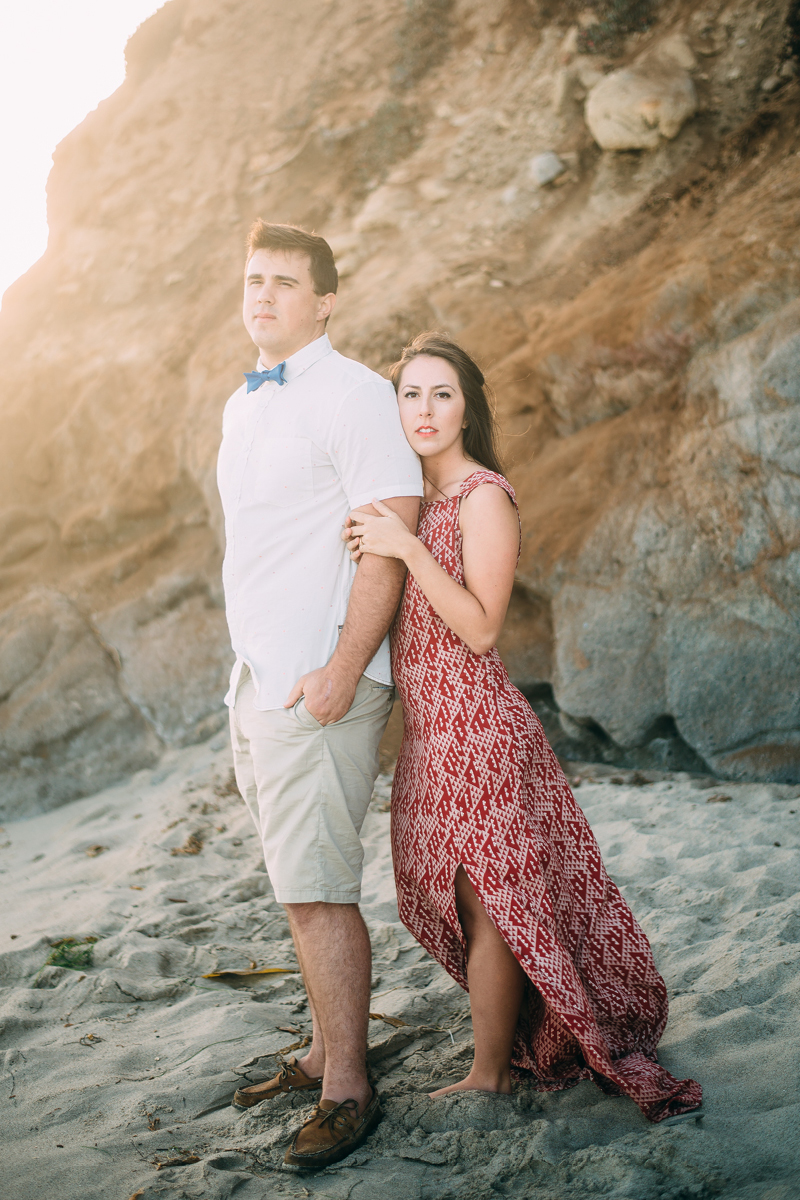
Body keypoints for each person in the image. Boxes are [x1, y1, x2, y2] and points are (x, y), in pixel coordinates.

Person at [345, 332, 702, 1122]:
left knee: (495, 901)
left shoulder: (482, 497)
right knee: (456, 899)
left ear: (468, 406)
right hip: (431, 736)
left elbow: (480, 627)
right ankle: (505, 1048)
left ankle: (487, 1073)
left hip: (482, 730)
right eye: (411, 394)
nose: (425, 410)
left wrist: (405, 547)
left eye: (442, 394)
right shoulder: (409, 500)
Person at [216, 222, 423, 1167]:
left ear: (325, 301)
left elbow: (390, 532)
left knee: (317, 890)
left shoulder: (356, 394)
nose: (262, 296)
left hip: (321, 681)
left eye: (285, 283)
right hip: (258, 679)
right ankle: (321, 1050)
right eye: (254, 280)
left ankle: (349, 1088)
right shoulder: (242, 405)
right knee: (294, 883)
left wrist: (344, 669)